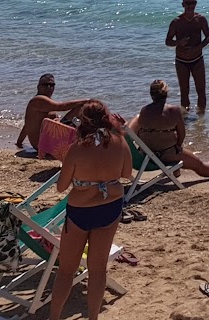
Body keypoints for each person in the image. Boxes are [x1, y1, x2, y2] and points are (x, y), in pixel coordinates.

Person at [47, 101, 132, 320]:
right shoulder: (120, 142)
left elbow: (61, 186)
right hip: (110, 207)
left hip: (80, 211)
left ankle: (54, 317)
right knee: (97, 269)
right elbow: (127, 173)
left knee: (66, 270)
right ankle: (93, 317)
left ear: (82, 122)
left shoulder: (76, 149)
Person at [129, 79, 209, 178]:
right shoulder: (173, 110)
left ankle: (175, 170)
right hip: (166, 156)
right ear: (166, 93)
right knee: (199, 165)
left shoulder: (144, 111)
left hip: (146, 156)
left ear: (151, 95)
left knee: (160, 134)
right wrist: (177, 147)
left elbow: (139, 133)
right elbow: (182, 134)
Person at [17, 74, 92, 155]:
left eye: (52, 85)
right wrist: (87, 101)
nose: (49, 87)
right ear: (38, 87)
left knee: (77, 121)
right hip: (45, 145)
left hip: (44, 144)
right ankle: (91, 137)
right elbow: (61, 106)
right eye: (45, 85)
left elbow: (27, 125)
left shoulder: (41, 103)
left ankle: (88, 135)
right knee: (80, 108)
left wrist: (19, 143)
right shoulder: (38, 100)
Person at [165, 0, 209, 114]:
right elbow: (168, 41)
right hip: (181, 61)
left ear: (196, 4)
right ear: (183, 5)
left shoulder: (201, 19)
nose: (190, 6)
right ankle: (185, 119)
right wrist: (178, 42)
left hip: (197, 59)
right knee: (184, 91)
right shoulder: (176, 22)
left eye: (193, 3)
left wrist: (198, 47)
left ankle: (201, 121)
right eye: (187, 3)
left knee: (201, 91)